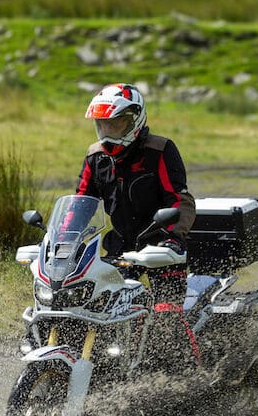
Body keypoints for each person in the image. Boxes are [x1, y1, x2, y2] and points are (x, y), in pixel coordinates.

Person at [76, 83, 198, 372]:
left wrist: (172, 238)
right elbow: (81, 203)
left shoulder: (160, 150)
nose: (107, 132)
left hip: (159, 246)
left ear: (134, 120)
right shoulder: (95, 157)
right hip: (118, 247)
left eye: (115, 123)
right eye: (102, 124)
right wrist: (65, 242)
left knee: (165, 314)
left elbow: (179, 199)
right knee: (89, 310)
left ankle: (195, 375)